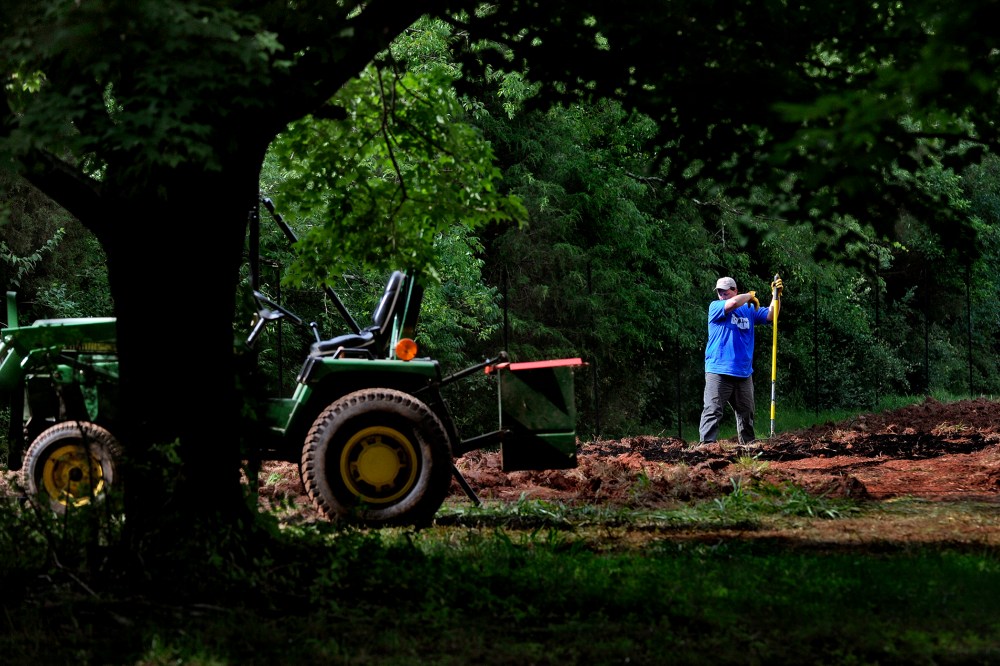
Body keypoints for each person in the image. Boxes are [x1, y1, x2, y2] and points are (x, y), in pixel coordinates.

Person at [698, 275, 783, 445]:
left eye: (725, 292)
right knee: (712, 410)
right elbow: (733, 303)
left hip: (743, 373)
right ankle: (706, 448)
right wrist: (750, 296)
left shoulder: (749, 309)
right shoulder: (716, 307)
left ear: (735, 290)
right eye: (719, 292)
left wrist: (776, 295)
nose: (722, 295)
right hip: (718, 370)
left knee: (746, 413)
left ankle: (748, 448)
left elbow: (771, 316)